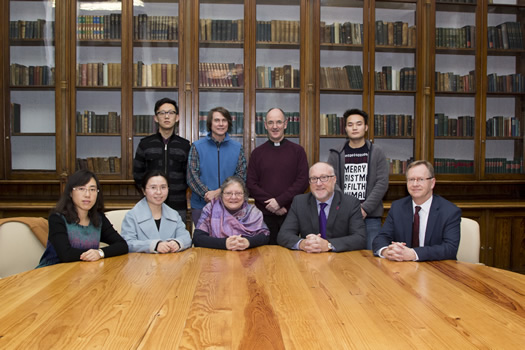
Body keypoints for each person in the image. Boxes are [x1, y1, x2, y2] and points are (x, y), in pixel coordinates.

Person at [372, 160, 461, 262]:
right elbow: (381, 238)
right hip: (403, 269)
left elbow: (450, 248)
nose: (415, 184)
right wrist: (386, 251)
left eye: (421, 179)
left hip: (438, 269)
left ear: (432, 183)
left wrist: (414, 254)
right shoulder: (398, 207)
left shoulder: (450, 211)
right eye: (411, 179)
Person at [37, 170, 128, 268]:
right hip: (51, 272)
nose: (87, 195)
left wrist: (100, 253)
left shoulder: (98, 218)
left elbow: (122, 245)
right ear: (71, 193)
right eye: (81, 189)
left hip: (82, 273)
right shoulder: (57, 218)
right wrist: (92, 254)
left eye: (92, 189)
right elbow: (66, 255)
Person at [327, 108, 389, 250]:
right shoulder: (336, 153)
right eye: (350, 124)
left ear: (366, 127)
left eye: (359, 124)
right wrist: (347, 208)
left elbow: (382, 183)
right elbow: (331, 181)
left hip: (370, 216)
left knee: (371, 258)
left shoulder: (376, 152)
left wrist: (365, 208)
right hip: (342, 215)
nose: (354, 128)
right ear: (345, 128)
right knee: (343, 257)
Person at [246, 107, 309, 245]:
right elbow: (251, 183)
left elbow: (303, 182)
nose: (275, 127)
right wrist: (272, 203)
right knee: (265, 256)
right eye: (271, 122)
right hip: (264, 215)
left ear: (285, 124)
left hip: (291, 214)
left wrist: (280, 202)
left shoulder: (298, 151)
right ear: (265, 125)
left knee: (290, 256)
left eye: (279, 122)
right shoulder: (257, 153)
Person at [277, 162, 366, 253]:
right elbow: (283, 235)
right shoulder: (299, 202)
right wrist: (302, 243)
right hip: (308, 260)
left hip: (341, 261)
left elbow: (360, 238)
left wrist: (328, 245)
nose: (318, 183)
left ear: (334, 179)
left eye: (324, 178)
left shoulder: (350, 203)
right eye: (314, 178)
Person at [133, 97, 191, 221]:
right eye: (162, 113)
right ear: (156, 118)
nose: (166, 116)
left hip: (177, 203)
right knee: (151, 238)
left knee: (176, 238)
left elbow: (189, 175)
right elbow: (138, 174)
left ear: (177, 118)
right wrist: (150, 192)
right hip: (150, 203)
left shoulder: (185, 145)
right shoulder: (145, 144)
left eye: (171, 113)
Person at [187, 106, 247, 225]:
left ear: (228, 124)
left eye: (224, 120)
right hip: (202, 205)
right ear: (210, 123)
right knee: (204, 241)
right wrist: (208, 194)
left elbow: (241, 176)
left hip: (231, 205)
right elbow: (192, 176)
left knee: (229, 241)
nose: (220, 124)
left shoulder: (237, 148)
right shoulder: (197, 147)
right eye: (217, 120)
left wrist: (220, 192)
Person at [121, 170, 192, 253]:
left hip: (170, 263)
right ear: (144, 191)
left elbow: (186, 237)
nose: (159, 192)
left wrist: (177, 243)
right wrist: (154, 245)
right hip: (142, 264)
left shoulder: (174, 214)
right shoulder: (132, 216)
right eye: (153, 187)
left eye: (163, 187)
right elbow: (127, 243)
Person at [193, 176, 270, 250]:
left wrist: (248, 242)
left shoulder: (253, 212)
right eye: (228, 193)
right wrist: (225, 243)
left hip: (247, 257)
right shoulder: (210, 209)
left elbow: (265, 236)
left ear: (245, 195)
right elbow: (198, 238)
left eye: (238, 193)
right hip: (216, 257)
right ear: (221, 195)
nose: (233, 197)